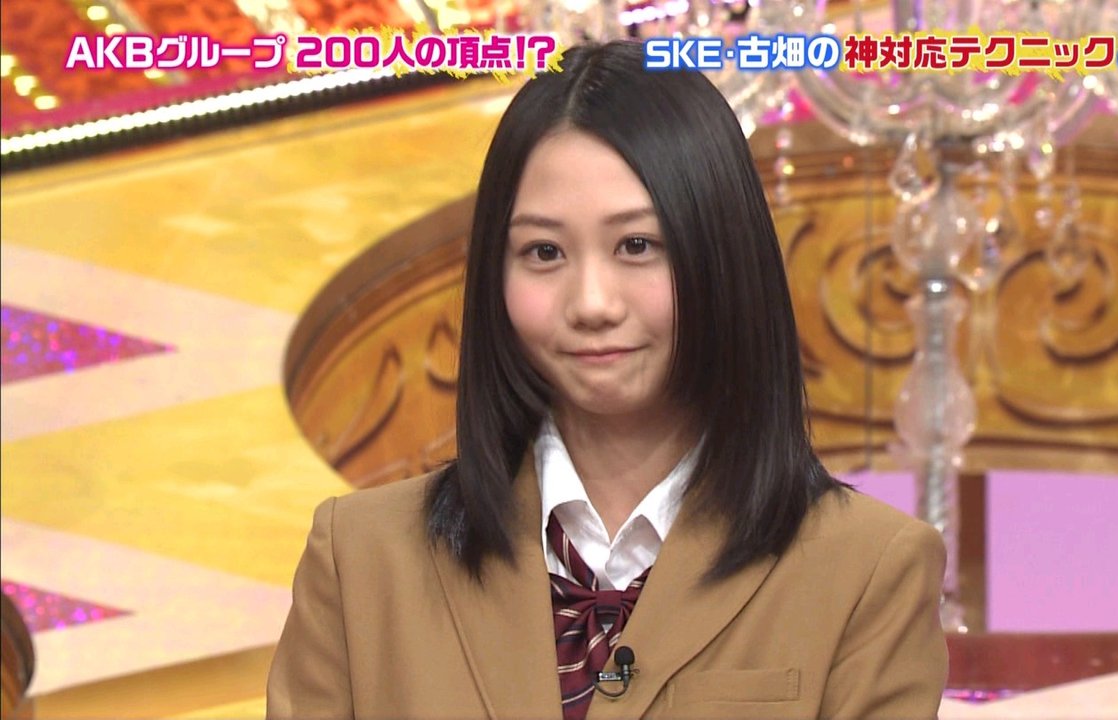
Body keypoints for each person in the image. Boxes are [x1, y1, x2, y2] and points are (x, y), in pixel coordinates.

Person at [267, 40, 948, 719]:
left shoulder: (869, 572)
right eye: (543, 252)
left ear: (723, 257)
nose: (592, 304)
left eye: (637, 246)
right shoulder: (359, 559)